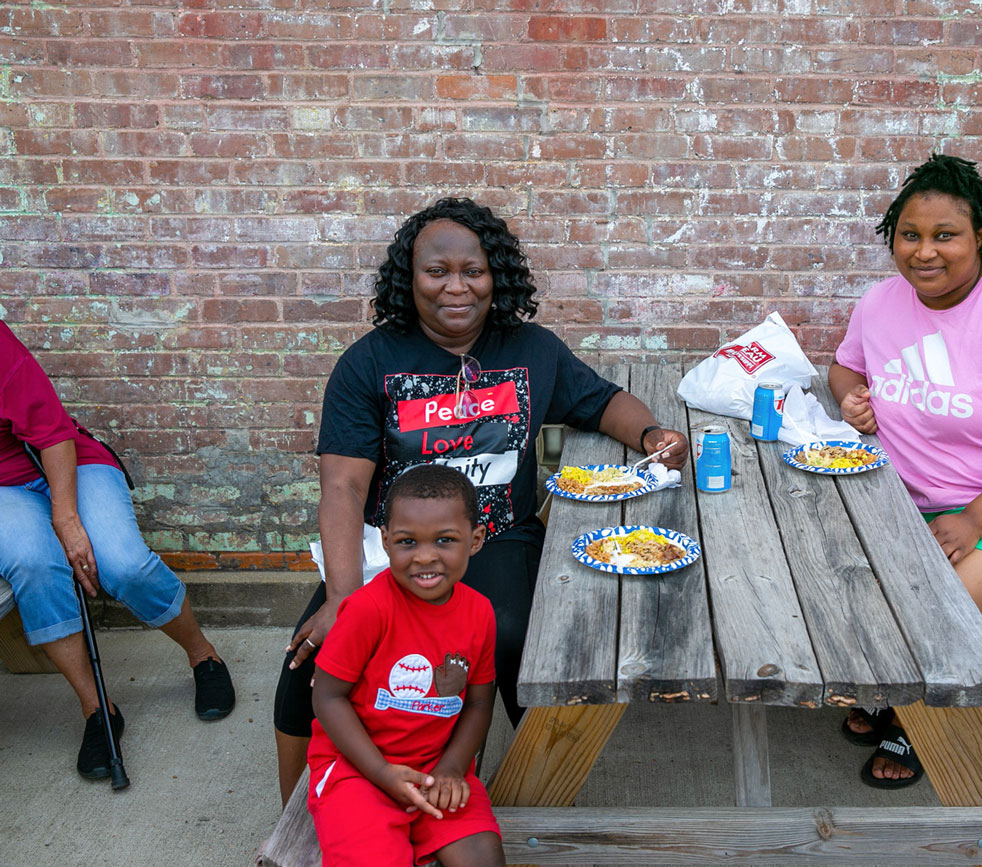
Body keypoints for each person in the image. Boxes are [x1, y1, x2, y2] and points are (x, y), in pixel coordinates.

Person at [273, 196, 688, 805]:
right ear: (408, 279)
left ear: (497, 275)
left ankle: (535, 797)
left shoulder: (531, 349)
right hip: (399, 548)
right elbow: (344, 486)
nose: (456, 287)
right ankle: (297, 821)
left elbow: (599, 402)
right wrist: (341, 596)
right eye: (436, 272)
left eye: (473, 270)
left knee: (517, 639)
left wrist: (651, 434)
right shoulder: (369, 364)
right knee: (309, 663)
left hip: (496, 535)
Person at [829, 154, 982, 788]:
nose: (924, 252)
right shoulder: (881, 303)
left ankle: (920, 730)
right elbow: (845, 366)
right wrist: (850, 396)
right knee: (835, 582)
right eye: (910, 235)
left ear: (981, 239)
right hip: (906, 505)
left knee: (934, 614)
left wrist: (973, 521)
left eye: (946, 236)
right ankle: (894, 690)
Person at [0, 320, 236, 782]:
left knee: (123, 565)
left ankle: (203, 656)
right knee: (34, 566)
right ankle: (98, 710)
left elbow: (50, 432)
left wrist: (66, 520)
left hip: (64, 459)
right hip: (4, 491)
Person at [308, 464, 505, 867]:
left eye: (445, 540)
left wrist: (452, 768)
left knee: (482, 856)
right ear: (385, 541)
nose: (425, 557)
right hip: (357, 769)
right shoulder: (367, 610)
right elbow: (327, 697)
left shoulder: (480, 613)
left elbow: (480, 703)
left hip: (437, 765)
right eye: (407, 542)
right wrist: (381, 773)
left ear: (476, 539)